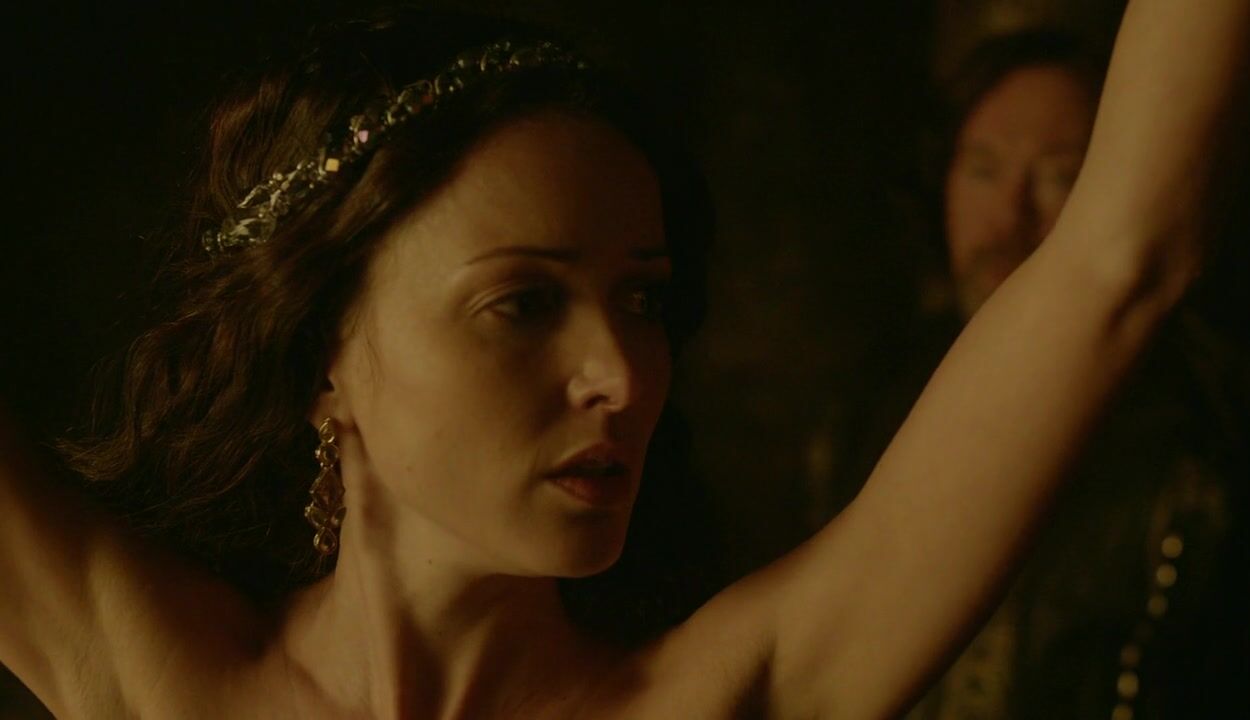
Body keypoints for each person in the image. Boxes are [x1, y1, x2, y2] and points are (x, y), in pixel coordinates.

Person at [2, 2, 1247, 718]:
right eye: (522, 303)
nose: (624, 373)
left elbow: (1117, 260)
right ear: (325, 350)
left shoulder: (737, 694)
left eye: (642, 299)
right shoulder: (155, 681)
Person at [810, 28, 1250, 719]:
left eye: (1059, 176)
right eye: (983, 169)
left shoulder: (1204, 433)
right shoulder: (875, 402)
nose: (1008, 216)